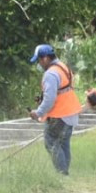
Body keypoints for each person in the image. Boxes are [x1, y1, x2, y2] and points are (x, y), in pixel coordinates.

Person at [28, 44, 81, 176]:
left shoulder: (50, 74)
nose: (39, 64)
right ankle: (65, 173)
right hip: (71, 112)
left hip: (59, 114)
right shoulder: (63, 67)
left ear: (45, 58)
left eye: (39, 60)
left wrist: (38, 113)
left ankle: (62, 175)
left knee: (51, 142)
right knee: (63, 144)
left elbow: (50, 99)